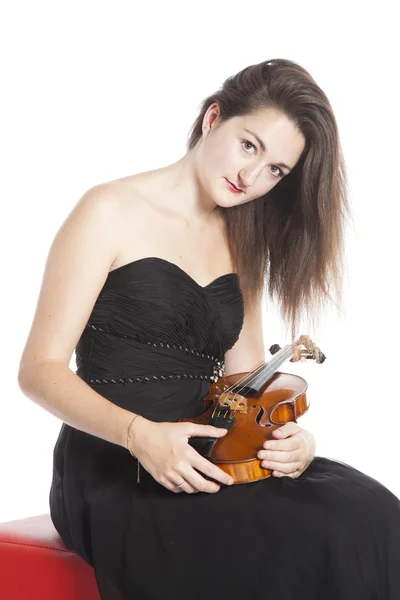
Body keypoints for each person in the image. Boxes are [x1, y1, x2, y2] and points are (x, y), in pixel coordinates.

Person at [18, 58, 400, 599]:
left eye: (276, 171)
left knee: (376, 513)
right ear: (213, 119)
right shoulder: (108, 211)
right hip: (114, 464)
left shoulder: (244, 240)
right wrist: (139, 436)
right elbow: (38, 371)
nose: (252, 177)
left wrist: (294, 442)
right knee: (312, 537)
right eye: (250, 146)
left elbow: (246, 381)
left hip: (212, 451)